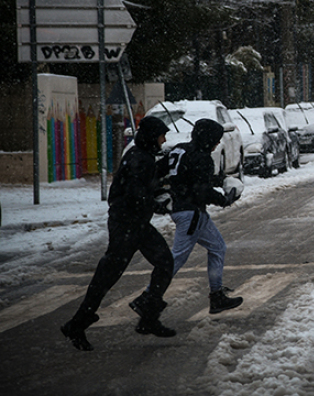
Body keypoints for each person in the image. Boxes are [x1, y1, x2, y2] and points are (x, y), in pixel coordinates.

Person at [61, 116, 176, 351]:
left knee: (163, 262)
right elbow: (135, 192)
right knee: (108, 275)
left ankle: (148, 314)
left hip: (136, 224)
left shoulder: (142, 156)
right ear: (151, 136)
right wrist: (156, 204)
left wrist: (158, 194)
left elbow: (144, 187)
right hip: (126, 225)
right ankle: (78, 323)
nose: (164, 140)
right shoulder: (138, 158)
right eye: (161, 135)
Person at [163, 118, 243, 314]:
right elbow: (201, 190)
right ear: (207, 138)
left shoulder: (180, 149)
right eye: (215, 140)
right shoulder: (202, 158)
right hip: (191, 213)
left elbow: (186, 176)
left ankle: (217, 296)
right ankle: (149, 295)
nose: (217, 144)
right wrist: (224, 199)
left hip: (183, 208)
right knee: (177, 258)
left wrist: (219, 180)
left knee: (217, 247)